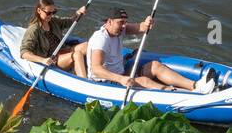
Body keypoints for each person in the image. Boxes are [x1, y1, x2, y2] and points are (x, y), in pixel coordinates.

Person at [87, 7, 217, 93]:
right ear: (109, 22)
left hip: (121, 73)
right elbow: (96, 69)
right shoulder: (101, 39)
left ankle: (195, 86)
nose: (124, 25)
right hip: (104, 82)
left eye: (125, 22)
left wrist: (146, 23)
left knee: (155, 66)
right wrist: (120, 79)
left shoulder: (119, 30)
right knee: (144, 81)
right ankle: (179, 94)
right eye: (121, 22)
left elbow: (141, 27)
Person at [19, 0, 89, 73]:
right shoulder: (33, 29)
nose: (51, 15)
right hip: (53, 59)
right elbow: (24, 53)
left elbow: (69, 22)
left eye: (53, 12)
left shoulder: (53, 21)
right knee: (77, 55)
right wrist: (43, 60)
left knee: (88, 45)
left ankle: (95, 71)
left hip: (62, 50)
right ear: (39, 11)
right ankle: (84, 81)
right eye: (48, 13)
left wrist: (78, 13)